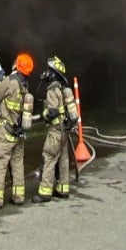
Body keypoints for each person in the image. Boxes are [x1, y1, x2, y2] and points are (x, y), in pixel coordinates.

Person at [0, 52, 34, 209]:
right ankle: (18, 197)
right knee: (17, 162)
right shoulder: (25, 84)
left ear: (17, 65)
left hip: (6, 131)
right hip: (18, 132)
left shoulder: (10, 81)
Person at [32, 55, 75, 203]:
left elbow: (52, 112)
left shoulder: (51, 89)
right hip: (63, 129)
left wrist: (43, 115)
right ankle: (63, 189)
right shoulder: (61, 88)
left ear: (54, 73)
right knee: (63, 159)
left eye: (49, 70)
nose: (46, 72)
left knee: (48, 158)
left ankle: (45, 192)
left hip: (55, 131)